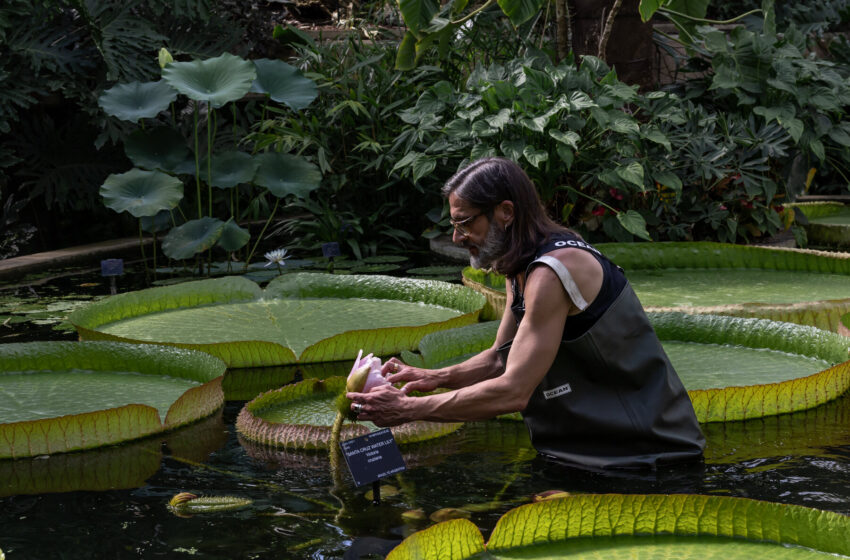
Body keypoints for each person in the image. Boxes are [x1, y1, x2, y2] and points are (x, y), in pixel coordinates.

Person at [347, 157, 705, 469]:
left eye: (465, 222)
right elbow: (500, 360)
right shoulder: (519, 265)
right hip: (590, 452)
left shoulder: (553, 271)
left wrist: (408, 410)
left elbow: (513, 391)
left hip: (647, 457)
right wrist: (432, 376)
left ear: (505, 211)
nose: (457, 237)